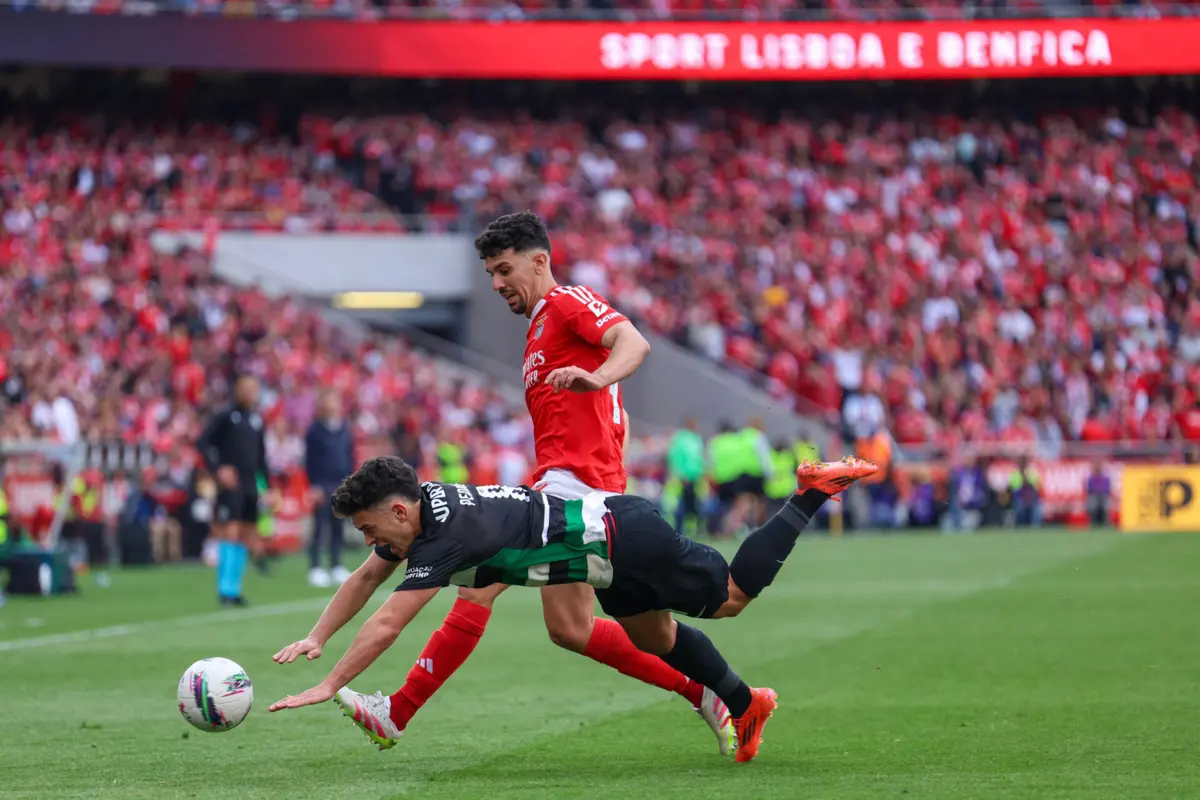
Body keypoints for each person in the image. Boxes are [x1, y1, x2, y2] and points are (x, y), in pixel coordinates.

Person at [275, 210, 736, 755]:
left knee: (477, 580)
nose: (495, 284)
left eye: (503, 269)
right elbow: (608, 409)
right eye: (491, 273)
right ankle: (710, 695)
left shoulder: (565, 303)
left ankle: (397, 712)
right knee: (571, 628)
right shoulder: (540, 328)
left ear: (539, 261)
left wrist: (602, 381)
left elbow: (631, 343)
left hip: (574, 486)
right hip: (571, 478)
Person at [267, 454, 878, 763]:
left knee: (730, 600)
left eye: (375, 529)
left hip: (626, 539)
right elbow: (368, 577)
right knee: (656, 640)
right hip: (606, 557)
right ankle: (745, 707)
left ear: (399, 512)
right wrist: (318, 636)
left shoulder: (443, 536)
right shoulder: (422, 506)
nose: (376, 545)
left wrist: (330, 684)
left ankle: (807, 494)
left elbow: (388, 618)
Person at [197, 374, 268, 606]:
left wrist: (266, 486)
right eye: (245, 388)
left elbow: (261, 458)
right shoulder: (226, 417)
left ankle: (235, 589)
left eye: (253, 388)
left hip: (250, 485)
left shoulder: (256, 419)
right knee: (230, 530)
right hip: (232, 485)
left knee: (246, 533)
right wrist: (218, 470)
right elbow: (203, 443)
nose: (250, 392)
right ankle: (225, 589)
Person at [305, 389, 355, 588]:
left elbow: (349, 455)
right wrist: (314, 485)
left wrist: (351, 482)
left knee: (338, 525)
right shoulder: (315, 430)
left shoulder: (344, 428)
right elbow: (309, 460)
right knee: (319, 525)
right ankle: (315, 567)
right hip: (322, 484)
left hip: (341, 483)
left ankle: (336, 565)